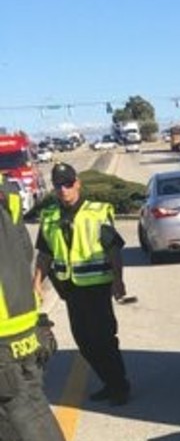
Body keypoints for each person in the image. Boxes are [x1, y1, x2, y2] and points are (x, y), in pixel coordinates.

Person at [0, 173, 73, 441]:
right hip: (19, 316)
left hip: (1, 326)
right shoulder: (6, 191)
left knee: (10, 410)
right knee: (29, 399)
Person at [32, 162, 131, 406]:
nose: (64, 189)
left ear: (77, 183)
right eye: (58, 185)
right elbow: (45, 255)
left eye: (68, 184)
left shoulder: (97, 212)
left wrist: (118, 281)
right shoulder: (50, 217)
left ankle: (119, 386)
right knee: (84, 341)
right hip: (70, 290)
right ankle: (109, 381)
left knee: (104, 338)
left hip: (97, 287)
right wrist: (36, 283)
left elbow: (113, 250)